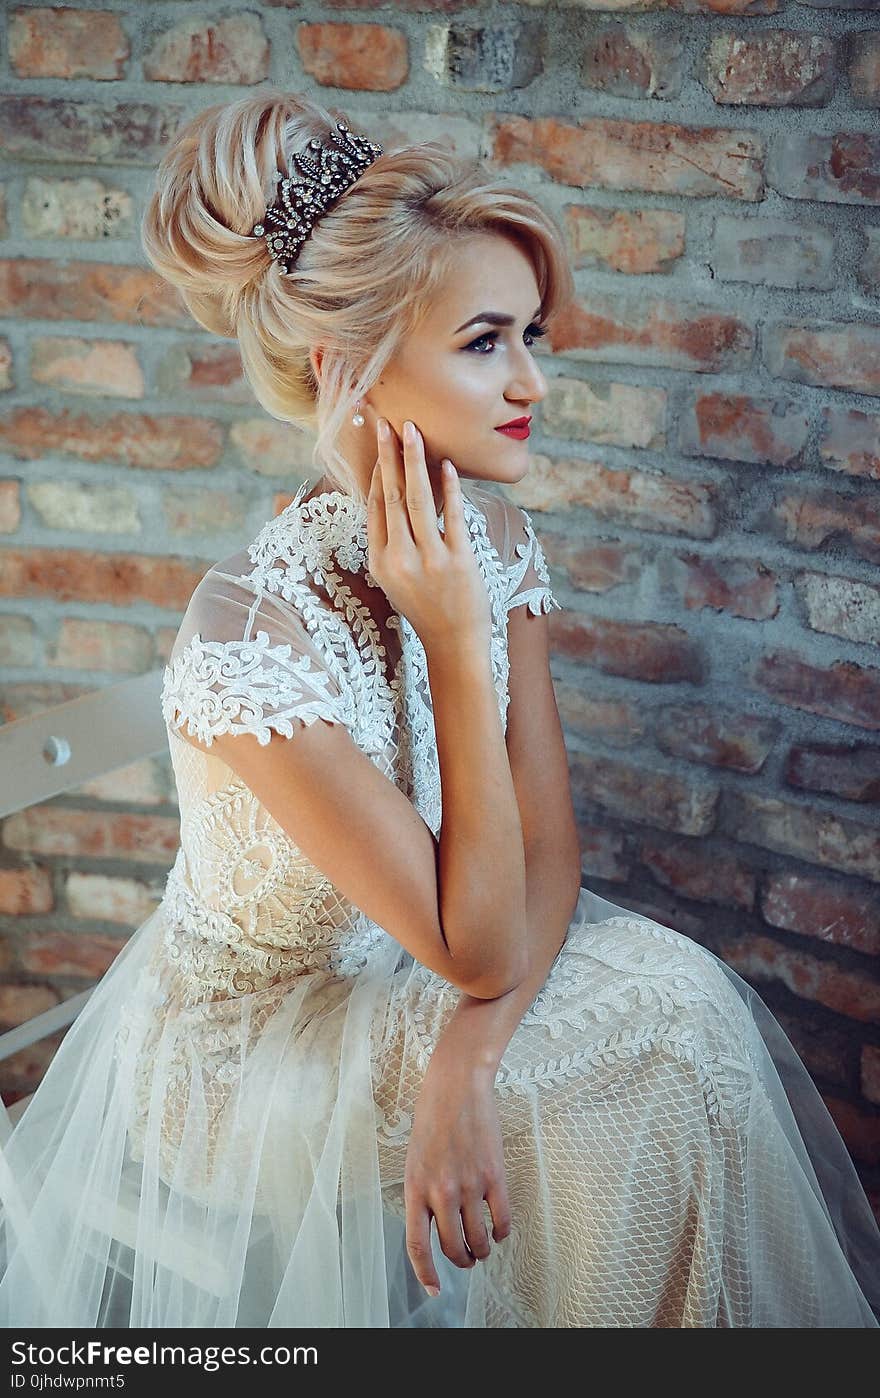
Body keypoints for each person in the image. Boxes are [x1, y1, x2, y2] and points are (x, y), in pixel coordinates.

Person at [1, 89, 878, 1330]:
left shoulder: (494, 535)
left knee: (675, 1004)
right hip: (241, 1055)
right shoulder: (249, 637)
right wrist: (455, 644)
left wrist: (464, 1059)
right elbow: (477, 945)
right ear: (347, 370)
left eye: (530, 335)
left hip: (415, 976)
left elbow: (547, 856)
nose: (530, 379)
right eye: (483, 341)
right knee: (623, 1062)